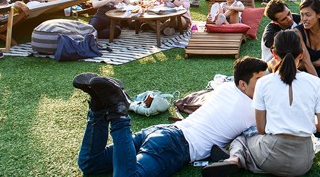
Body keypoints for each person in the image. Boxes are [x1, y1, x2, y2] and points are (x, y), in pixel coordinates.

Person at [74, 57, 267, 176]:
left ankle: (98, 108)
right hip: (176, 145)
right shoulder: (254, 110)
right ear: (243, 84)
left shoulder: (226, 87)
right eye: (261, 80)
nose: (266, 85)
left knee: (90, 163)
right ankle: (118, 113)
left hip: (162, 132)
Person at [201, 30, 320, 177]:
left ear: (274, 54)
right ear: (301, 54)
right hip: (303, 162)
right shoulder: (316, 83)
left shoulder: (263, 83)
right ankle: (243, 160)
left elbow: (261, 129)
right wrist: (305, 123)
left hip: (271, 155)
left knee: (242, 139)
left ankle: (235, 158)